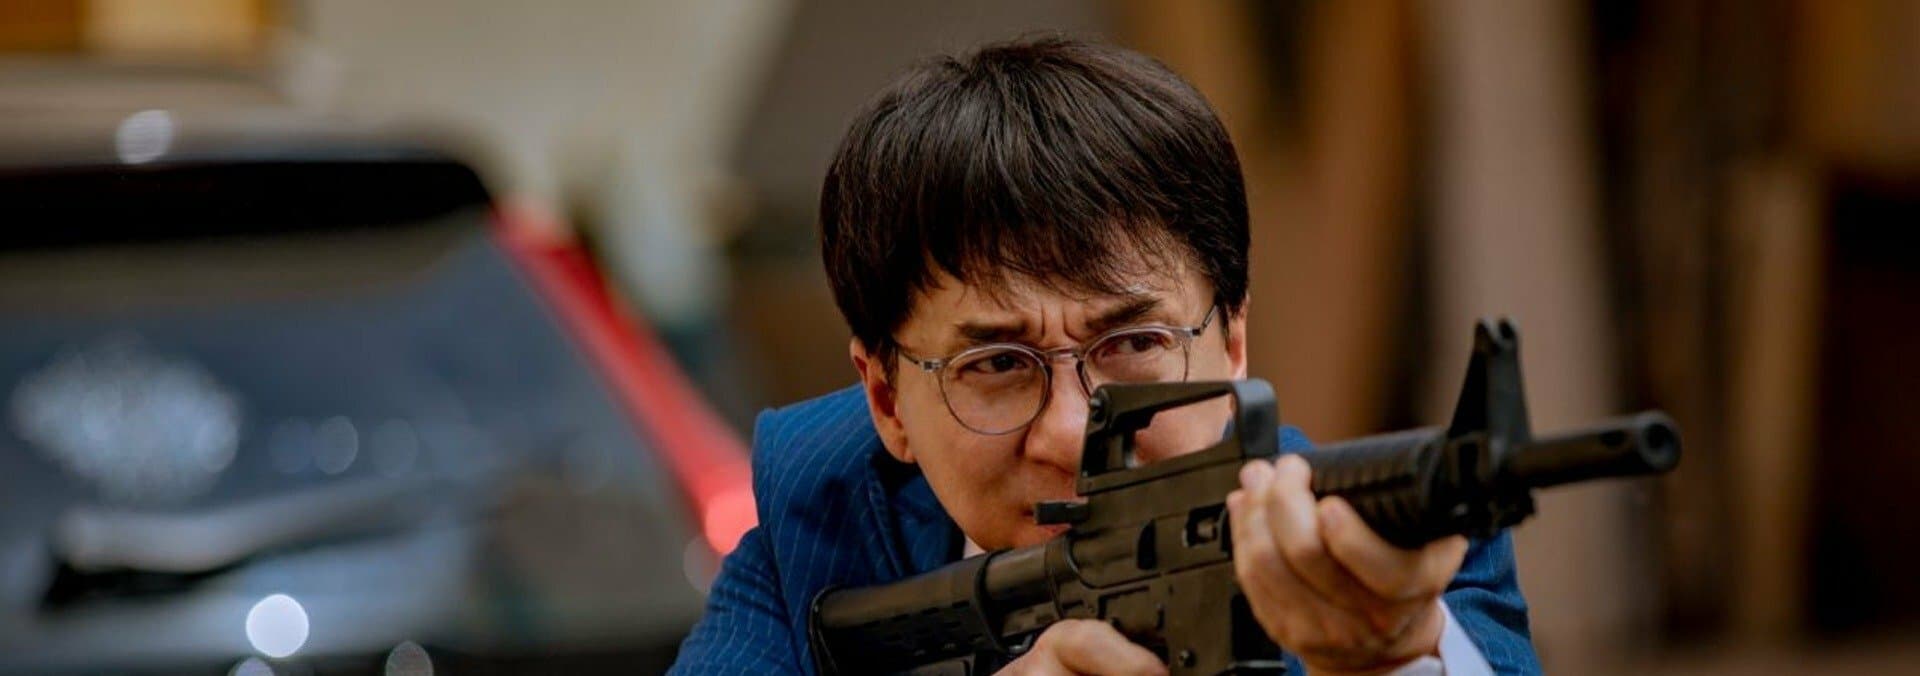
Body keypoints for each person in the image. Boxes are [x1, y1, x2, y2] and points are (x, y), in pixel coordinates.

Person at [670, 36, 1538, 675]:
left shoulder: (1397, 551)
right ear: (888, 401)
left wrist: (1390, 657)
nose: (1071, 431)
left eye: (1133, 344)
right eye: (998, 364)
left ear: (1233, 344)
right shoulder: (822, 527)